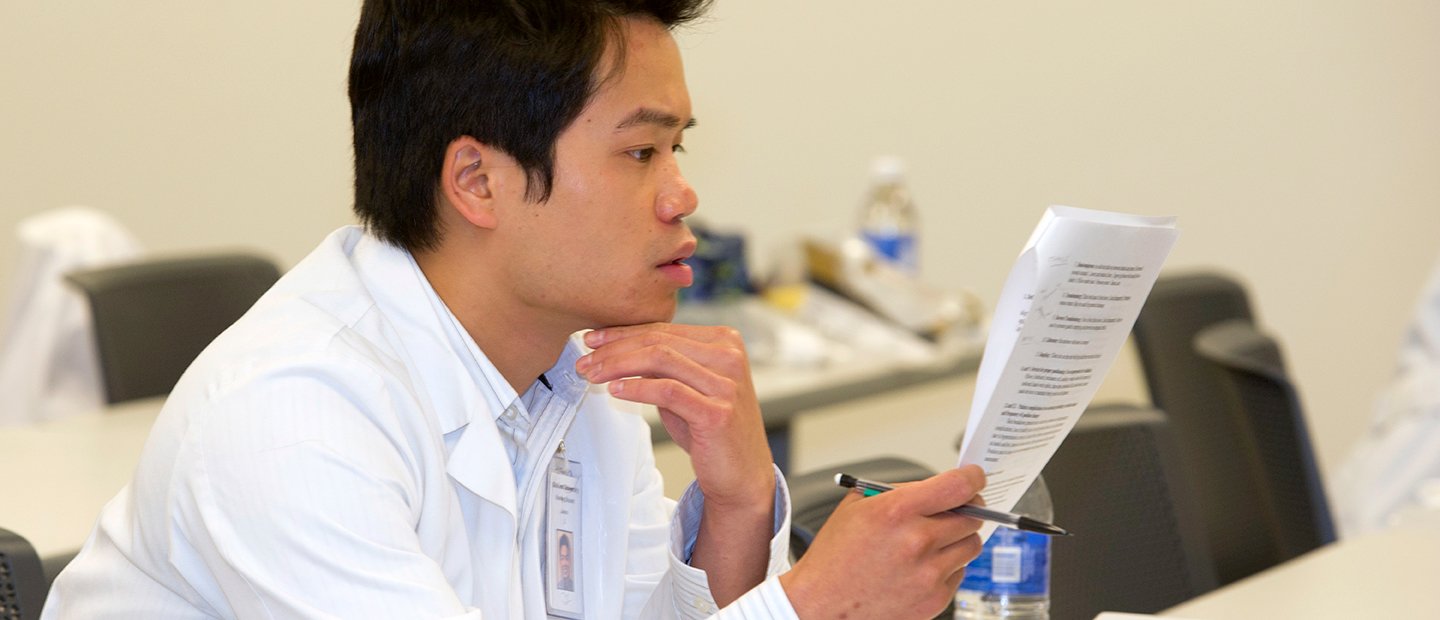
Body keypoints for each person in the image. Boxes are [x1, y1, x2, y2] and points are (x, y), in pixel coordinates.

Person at [43, 1, 986, 618]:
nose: (683, 197)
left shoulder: (573, 375)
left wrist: (738, 507)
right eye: (641, 154)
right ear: (477, 181)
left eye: (678, 150)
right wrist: (817, 604)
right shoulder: (290, 417)